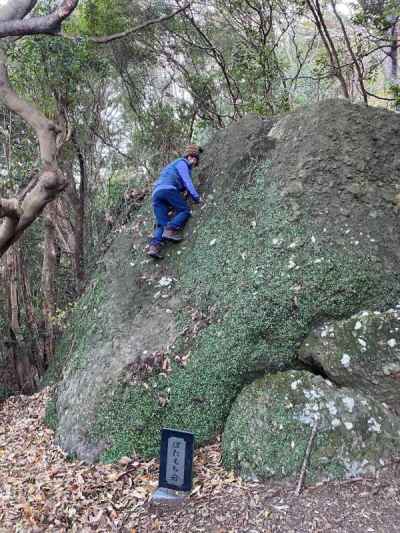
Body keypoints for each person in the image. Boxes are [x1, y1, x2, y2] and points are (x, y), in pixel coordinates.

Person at [147, 144, 203, 259]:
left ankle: (154, 247)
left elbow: (178, 182)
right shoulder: (182, 163)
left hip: (156, 194)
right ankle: (170, 229)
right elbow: (187, 181)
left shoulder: (171, 166)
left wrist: (184, 190)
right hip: (168, 190)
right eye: (194, 159)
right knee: (184, 210)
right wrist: (196, 197)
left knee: (161, 222)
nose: (194, 163)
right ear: (190, 157)